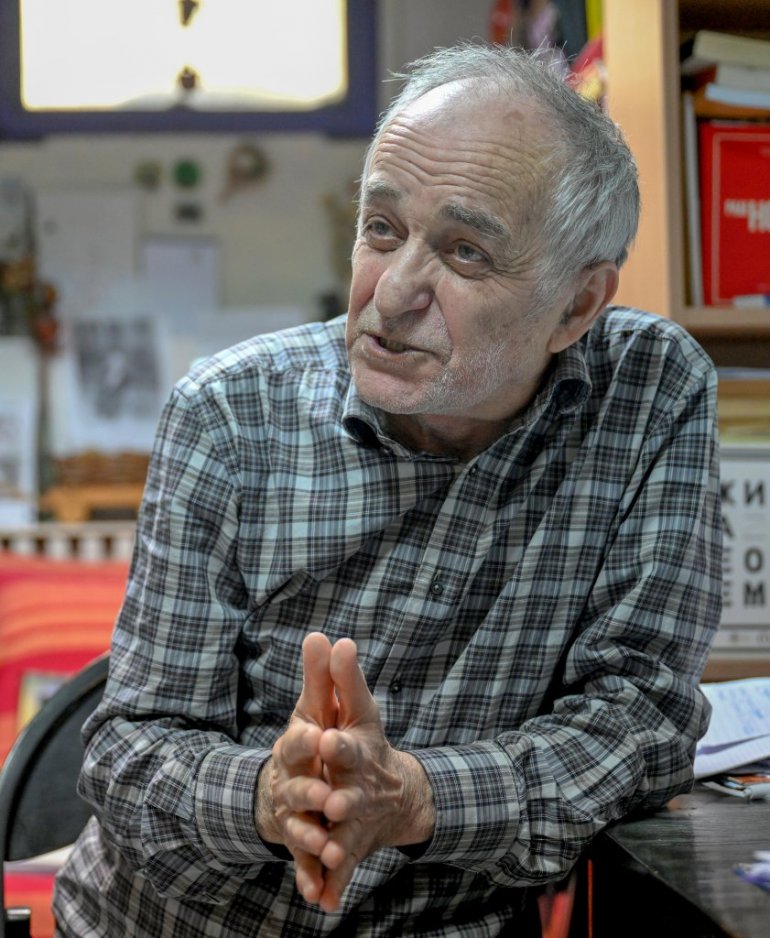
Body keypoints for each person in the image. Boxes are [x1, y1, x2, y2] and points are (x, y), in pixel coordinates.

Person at [53, 43, 722, 937]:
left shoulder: (645, 395)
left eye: (465, 252)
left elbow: (641, 723)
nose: (394, 292)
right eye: (381, 229)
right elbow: (129, 755)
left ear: (576, 306)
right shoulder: (230, 414)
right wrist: (274, 795)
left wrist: (412, 797)